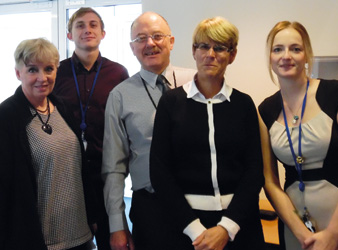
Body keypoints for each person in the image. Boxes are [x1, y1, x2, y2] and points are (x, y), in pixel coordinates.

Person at [150, 17, 265, 250]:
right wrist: (194, 229)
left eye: (220, 47)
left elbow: (254, 170)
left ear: (232, 55)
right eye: (203, 46)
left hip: (239, 226)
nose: (210, 54)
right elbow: (159, 171)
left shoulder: (243, 104)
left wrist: (227, 228)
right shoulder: (171, 103)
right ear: (194, 51)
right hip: (185, 227)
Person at [258, 21, 338, 250]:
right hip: (296, 228)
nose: (286, 56)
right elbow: (270, 181)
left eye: (296, 48)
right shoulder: (265, 110)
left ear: (307, 55)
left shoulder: (337, 93)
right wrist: (301, 234)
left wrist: (334, 233)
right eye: (278, 49)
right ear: (270, 58)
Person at [101, 11, 196, 250]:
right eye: (141, 39)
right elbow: (113, 168)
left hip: (199, 202)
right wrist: (117, 226)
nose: (149, 44)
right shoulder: (120, 96)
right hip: (151, 210)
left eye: (157, 36)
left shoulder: (197, 82)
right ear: (132, 48)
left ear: (171, 42)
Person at [0, 38, 95, 250]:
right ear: (18, 73)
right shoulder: (7, 117)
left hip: (80, 234)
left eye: (49, 69)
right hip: (38, 239)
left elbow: (79, 169)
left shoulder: (62, 107)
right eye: (32, 70)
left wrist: (92, 216)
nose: (42, 78)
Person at [53, 7, 129, 250]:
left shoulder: (118, 73)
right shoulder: (56, 72)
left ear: (103, 33)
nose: (87, 29)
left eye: (93, 25)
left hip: (107, 171)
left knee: (112, 240)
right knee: (73, 243)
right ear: (69, 35)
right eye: (80, 25)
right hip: (68, 173)